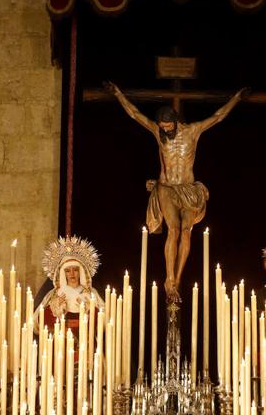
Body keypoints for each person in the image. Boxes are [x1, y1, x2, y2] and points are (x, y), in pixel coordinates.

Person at [105, 81, 248, 302]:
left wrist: (237, 98)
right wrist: (118, 94)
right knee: (173, 230)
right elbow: (135, 114)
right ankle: (169, 279)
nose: (165, 130)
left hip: (189, 190)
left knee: (186, 231)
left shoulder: (193, 131)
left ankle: (178, 278)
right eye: (162, 127)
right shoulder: (157, 131)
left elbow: (218, 116)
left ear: (175, 121)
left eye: (168, 127)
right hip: (167, 188)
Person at [34, 235, 104, 335]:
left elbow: (105, 322)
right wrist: (55, 311)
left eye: (75, 270)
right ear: (63, 274)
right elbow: (38, 323)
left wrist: (90, 312)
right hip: (61, 342)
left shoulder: (91, 294)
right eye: (67, 271)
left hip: (86, 342)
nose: (71, 274)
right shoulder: (55, 295)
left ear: (81, 272)